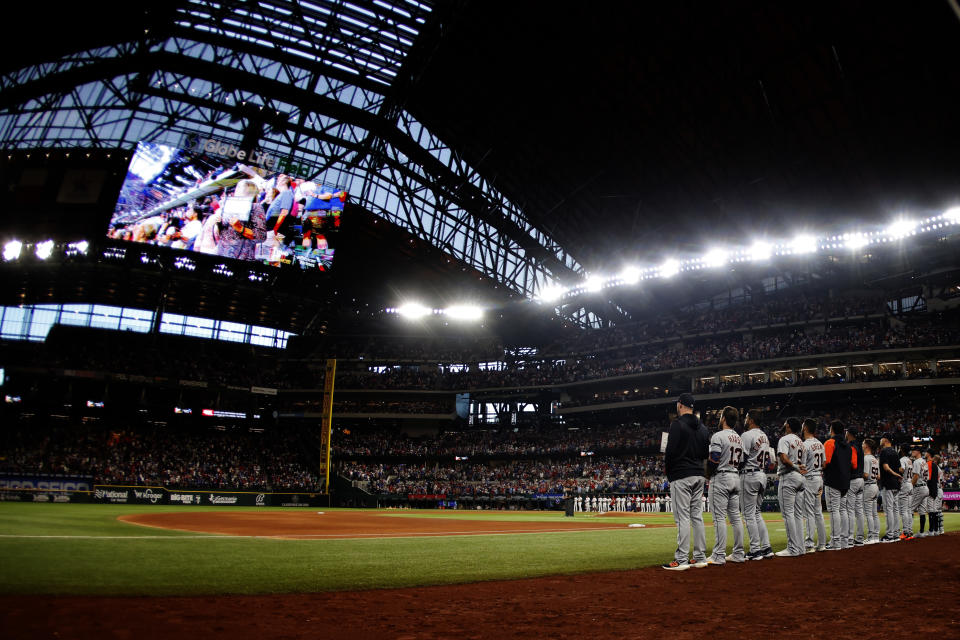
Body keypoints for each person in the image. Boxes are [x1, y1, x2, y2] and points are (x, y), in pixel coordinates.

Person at [661, 393, 710, 571]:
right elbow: (705, 454)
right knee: (696, 517)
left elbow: (670, 453)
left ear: (680, 405)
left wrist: (669, 473)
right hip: (698, 474)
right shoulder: (703, 428)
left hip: (681, 474)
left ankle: (681, 559)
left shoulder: (677, 424)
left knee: (682, 518)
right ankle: (700, 557)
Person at [706, 406, 746, 565]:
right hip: (735, 476)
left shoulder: (718, 436)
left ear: (723, 418)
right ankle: (738, 553)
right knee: (736, 518)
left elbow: (714, 459)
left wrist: (708, 473)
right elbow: (742, 462)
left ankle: (718, 555)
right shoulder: (739, 438)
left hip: (721, 477)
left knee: (719, 519)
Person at [740, 409, 773, 560]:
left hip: (750, 474)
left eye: (747, 417)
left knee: (748, 514)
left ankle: (755, 549)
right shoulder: (764, 436)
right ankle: (766, 547)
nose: (745, 420)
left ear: (751, 420)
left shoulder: (747, 435)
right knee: (757, 513)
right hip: (762, 474)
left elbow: (742, 458)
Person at [775, 417, 807, 557]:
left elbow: (783, 458)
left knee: (788, 514)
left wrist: (793, 466)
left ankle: (792, 549)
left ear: (788, 425)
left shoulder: (784, 439)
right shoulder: (801, 442)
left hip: (788, 476)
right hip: (800, 478)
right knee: (798, 515)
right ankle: (800, 548)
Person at [217, 179, 267, 261]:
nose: (236, 190)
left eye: (239, 187)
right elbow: (223, 234)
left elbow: (261, 237)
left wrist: (241, 228)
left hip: (242, 257)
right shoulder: (229, 207)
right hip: (223, 253)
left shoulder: (255, 207)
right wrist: (218, 224)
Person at [822, 420, 851, 550]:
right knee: (843, 510)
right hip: (845, 481)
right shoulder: (848, 445)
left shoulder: (830, 442)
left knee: (834, 511)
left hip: (833, 480)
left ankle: (835, 541)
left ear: (832, 429)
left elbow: (825, 462)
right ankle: (844, 541)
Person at [800, 418, 827, 552]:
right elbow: (824, 464)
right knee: (818, 513)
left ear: (805, 428)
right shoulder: (820, 444)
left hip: (810, 479)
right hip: (819, 478)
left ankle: (809, 544)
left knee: (809, 513)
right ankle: (821, 544)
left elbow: (802, 466)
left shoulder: (804, 445)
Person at [878, 436, 903, 542]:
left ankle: (890, 535)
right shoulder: (895, 452)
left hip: (888, 483)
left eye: (881, 439)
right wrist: (898, 475)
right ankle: (896, 533)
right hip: (896, 485)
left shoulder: (884, 451)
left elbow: (886, 467)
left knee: (889, 510)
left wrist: (895, 474)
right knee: (895, 509)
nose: (880, 441)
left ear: (885, 441)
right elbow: (900, 469)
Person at [844, 429, 866, 547]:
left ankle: (850, 537)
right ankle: (860, 537)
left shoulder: (852, 446)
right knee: (859, 510)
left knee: (850, 510)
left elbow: (853, 464)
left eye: (846, 432)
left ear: (850, 434)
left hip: (853, 480)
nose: (845, 434)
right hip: (861, 480)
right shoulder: (860, 446)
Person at [861, 438, 881, 544]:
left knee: (868, 513)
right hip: (875, 486)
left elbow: (865, 475)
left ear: (867, 446)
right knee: (874, 513)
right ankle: (876, 536)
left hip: (868, 486)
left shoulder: (866, 458)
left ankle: (870, 537)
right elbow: (878, 476)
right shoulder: (875, 459)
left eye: (863, 443)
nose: (862, 445)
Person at [909, 447, 930, 537]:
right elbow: (927, 477)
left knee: (909, 509)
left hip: (919, 487)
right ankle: (921, 532)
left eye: (913, 451)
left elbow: (916, 476)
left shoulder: (917, 462)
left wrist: (910, 486)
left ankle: (908, 531)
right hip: (925, 487)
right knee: (922, 511)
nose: (912, 452)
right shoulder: (924, 462)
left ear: (918, 452)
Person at [920, 450, 940, 537]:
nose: (925, 453)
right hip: (935, 488)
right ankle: (936, 530)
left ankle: (931, 530)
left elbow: (928, 478)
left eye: (926, 452)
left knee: (931, 510)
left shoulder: (929, 464)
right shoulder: (935, 464)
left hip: (930, 488)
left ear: (929, 454)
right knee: (934, 509)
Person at [898, 445, 915, 540]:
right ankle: (909, 531)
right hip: (910, 484)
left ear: (902, 450)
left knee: (904, 510)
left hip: (905, 484)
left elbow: (902, 469)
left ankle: (905, 532)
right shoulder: (909, 460)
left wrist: (895, 468)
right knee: (908, 510)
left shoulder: (902, 459)